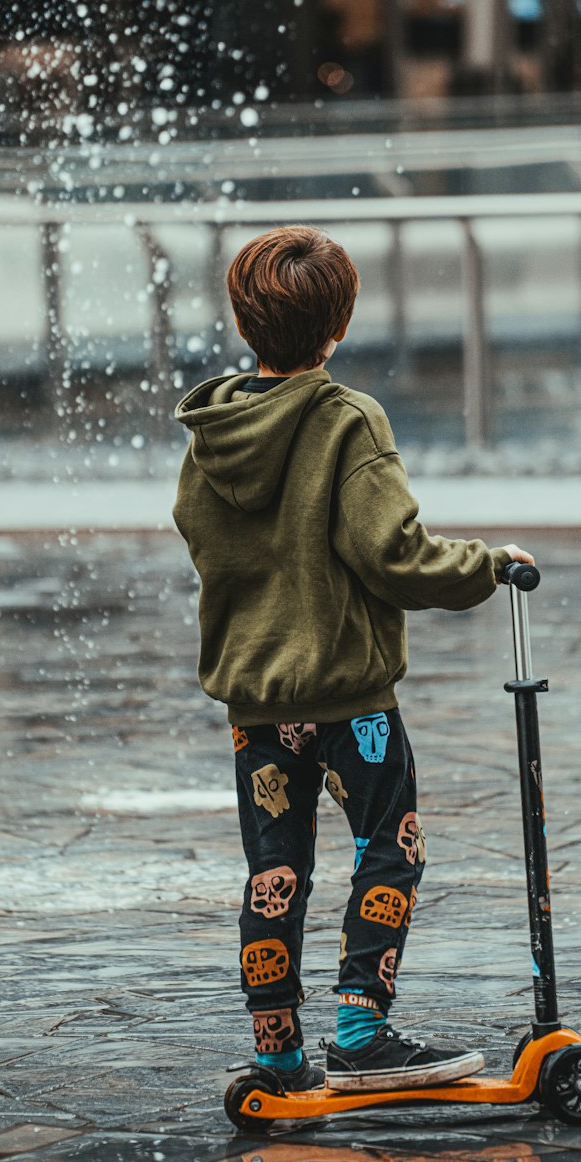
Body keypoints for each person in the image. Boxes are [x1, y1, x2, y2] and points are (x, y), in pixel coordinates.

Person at [172, 225, 534, 1093]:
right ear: (337, 327)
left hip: (256, 705)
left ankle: (277, 1051)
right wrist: (490, 565)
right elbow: (395, 556)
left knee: (276, 871)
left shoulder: (212, 429)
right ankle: (362, 1033)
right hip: (349, 699)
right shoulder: (345, 419)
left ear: (243, 321)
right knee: (390, 847)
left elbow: (202, 535)